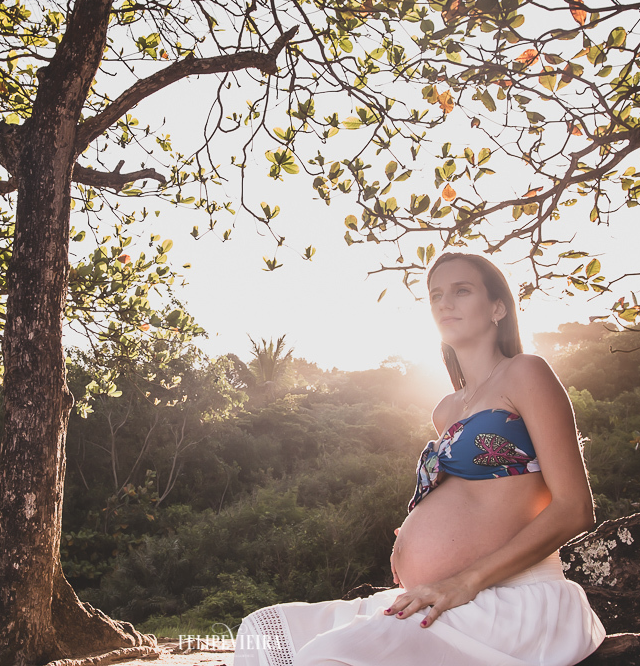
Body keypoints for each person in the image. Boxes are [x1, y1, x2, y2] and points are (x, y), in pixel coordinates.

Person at [234, 253, 606, 666]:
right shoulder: (446, 409)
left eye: (462, 291)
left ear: (498, 308)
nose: (445, 303)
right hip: (442, 596)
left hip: (511, 598)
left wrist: (464, 580)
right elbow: (473, 500)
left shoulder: (526, 373)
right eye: (435, 296)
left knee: (329, 656)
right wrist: (415, 534)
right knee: (261, 631)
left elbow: (575, 508)